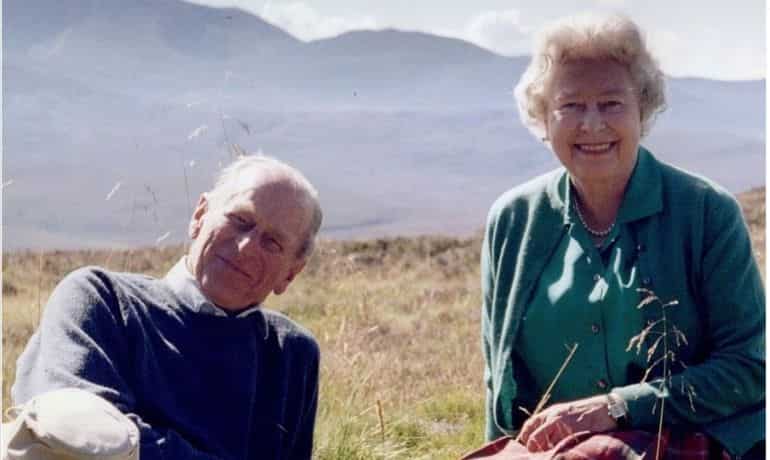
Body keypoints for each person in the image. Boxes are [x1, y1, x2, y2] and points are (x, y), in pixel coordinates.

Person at [479, 13, 764, 459]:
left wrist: (615, 409)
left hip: (684, 438)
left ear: (642, 109)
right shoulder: (513, 220)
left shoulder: (708, 212)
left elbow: (751, 368)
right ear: (543, 117)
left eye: (611, 103)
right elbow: (499, 382)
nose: (592, 124)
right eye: (571, 105)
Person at [12, 154, 324, 460]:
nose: (245, 248)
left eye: (272, 243)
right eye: (240, 220)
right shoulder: (101, 299)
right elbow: (79, 435)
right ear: (200, 215)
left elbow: (127, 448)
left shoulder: (291, 353)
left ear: (290, 274)